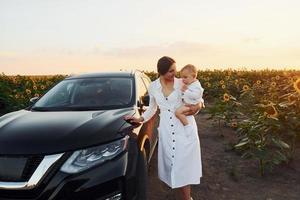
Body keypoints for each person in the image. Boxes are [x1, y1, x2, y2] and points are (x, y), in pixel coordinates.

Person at [125, 56, 203, 200]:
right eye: (170, 71)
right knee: (173, 164)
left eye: (175, 70)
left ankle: (188, 198)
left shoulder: (182, 82)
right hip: (167, 129)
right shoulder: (153, 87)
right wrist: (140, 119)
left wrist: (199, 105)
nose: (174, 74)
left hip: (185, 128)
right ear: (161, 72)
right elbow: (152, 108)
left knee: (184, 164)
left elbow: (198, 95)